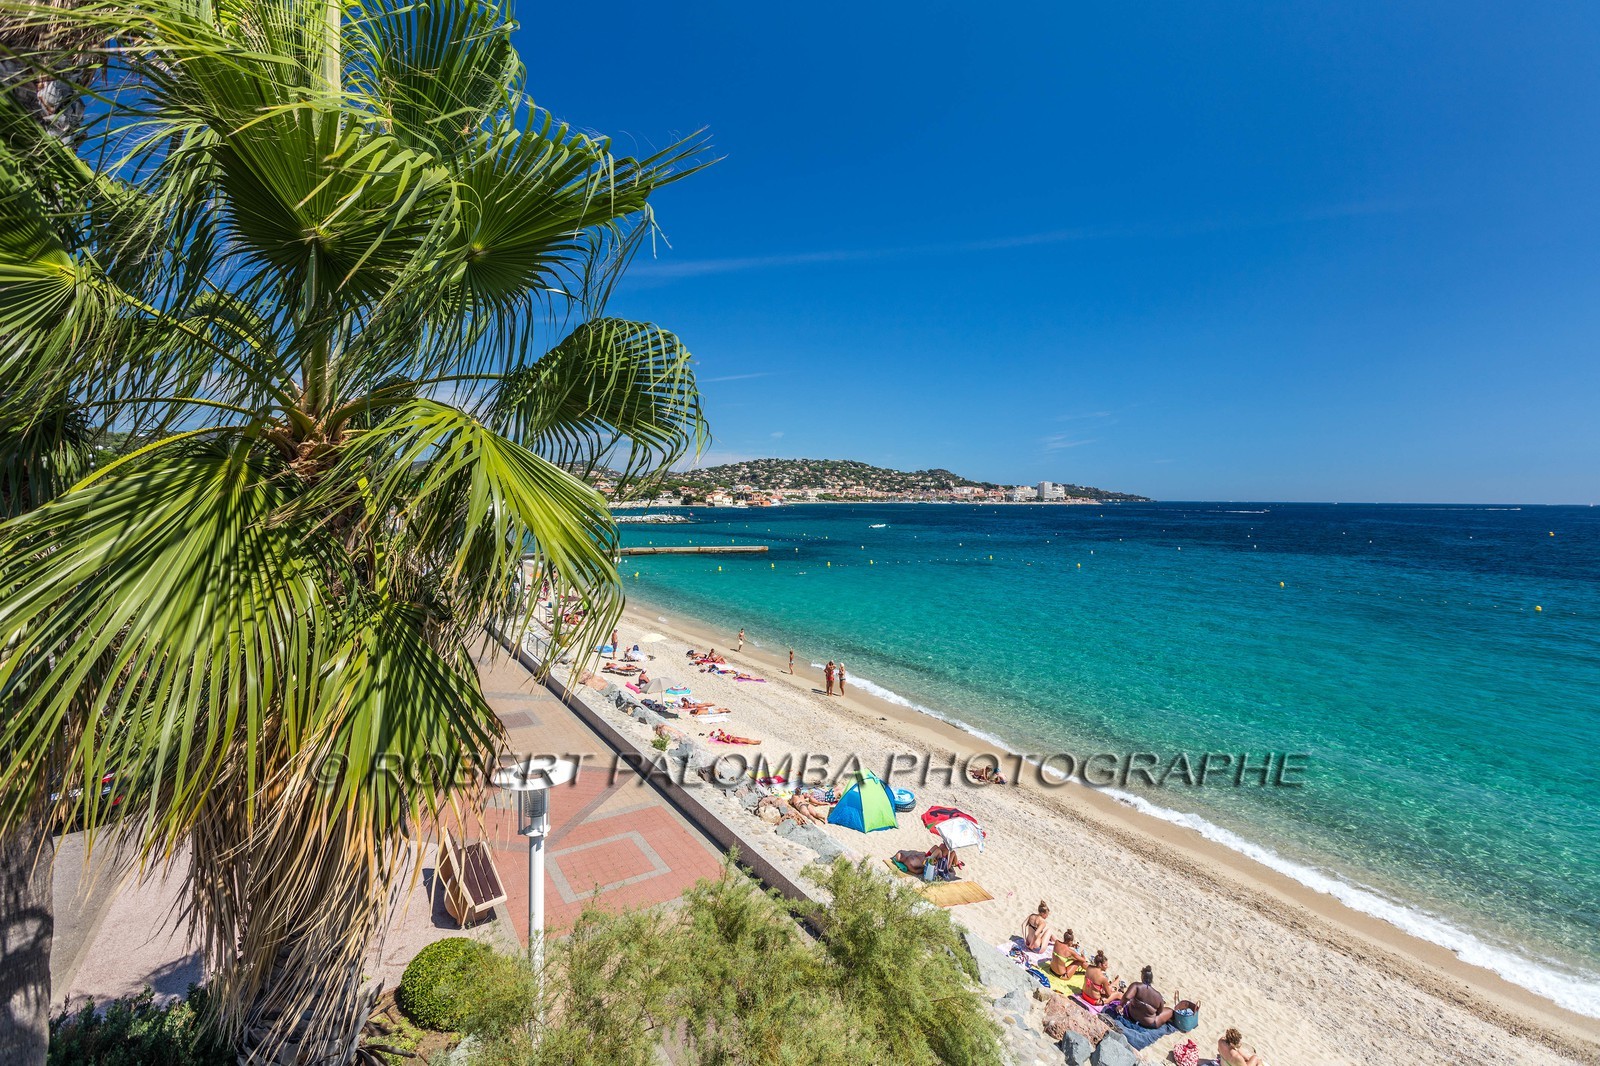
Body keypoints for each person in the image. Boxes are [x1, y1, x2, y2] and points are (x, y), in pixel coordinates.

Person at [1121, 965, 1187, 1029]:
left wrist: (1121, 1005)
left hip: (1131, 1016)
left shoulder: (1136, 986)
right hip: (1147, 1023)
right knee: (1170, 1011)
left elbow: (1126, 997)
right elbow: (1159, 1012)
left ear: (1142, 976)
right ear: (1151, 979)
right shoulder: (1158, 996)